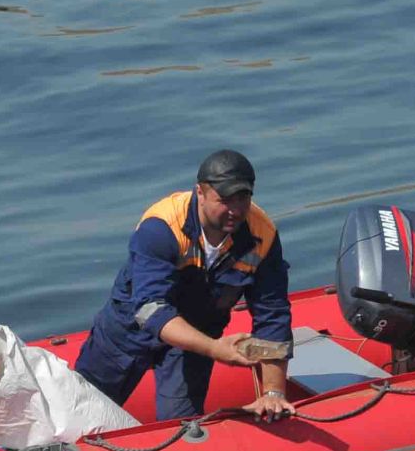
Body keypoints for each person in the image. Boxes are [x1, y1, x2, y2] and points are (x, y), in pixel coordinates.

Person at [75, 149, 296, 423]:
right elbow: (150, 311)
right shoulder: (162, 227)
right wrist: (216, 349)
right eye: (225, 200)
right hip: (128, 331)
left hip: (193, 338)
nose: (236, 209)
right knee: (82, 417)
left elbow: (272, 314)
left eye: (244, 198)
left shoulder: (262, 235)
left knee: (182, 426)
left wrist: (273, 392)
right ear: (200, 194)